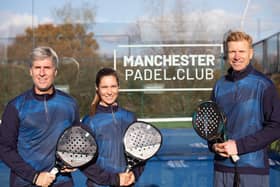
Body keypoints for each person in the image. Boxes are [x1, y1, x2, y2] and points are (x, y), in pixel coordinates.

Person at [0, 46, 80, 187]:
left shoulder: (70, 104)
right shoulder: (15, 106)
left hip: (62, 183)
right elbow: (5, 149)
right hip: (24, 183)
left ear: (55, 71)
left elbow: (76, 141)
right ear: (31, 71)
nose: (42, 73)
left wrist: (74, 160)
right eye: (37, 67)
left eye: (47, 68)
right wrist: (35, 177)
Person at [209, 31, 280, 187]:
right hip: (222, 168)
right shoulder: (219, 85)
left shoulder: (264, 85)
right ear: (227, 54)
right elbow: (212, 125)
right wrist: (214, 144)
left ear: (250, 53)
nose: (237, 56)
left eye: (241, 51)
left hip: (253, 169)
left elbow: (276, 127)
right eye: (232, 51)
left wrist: (238, 146)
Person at [81, 67, 145, 187]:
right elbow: (85, 163)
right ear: (97, 88)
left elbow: (141, 153)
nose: (109, 92)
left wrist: (134, 175)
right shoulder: (89, 121)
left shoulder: (129, 117)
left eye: (113, 86)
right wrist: (114, 180)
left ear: (118, 87)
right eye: (104, 87)